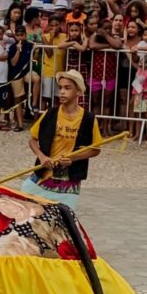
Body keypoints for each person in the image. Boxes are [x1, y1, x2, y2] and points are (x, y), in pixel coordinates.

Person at [24, 69, 103, 211]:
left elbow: (95, 149)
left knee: (63, 221)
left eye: (67, 88)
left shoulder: (88, 119)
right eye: (60, 88)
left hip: (69, 181)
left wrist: (73, 158)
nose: (62, 92)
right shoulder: (50, 114)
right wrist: (41, 157)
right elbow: (32, 140)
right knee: (27, 211)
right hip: (43, 175)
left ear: (78, 92)